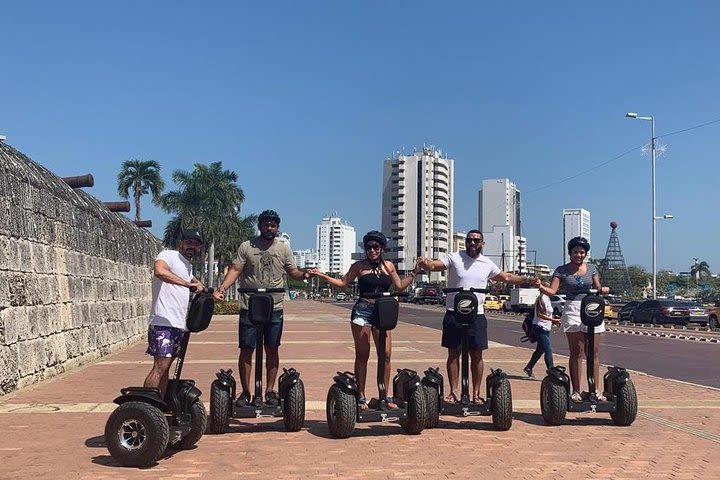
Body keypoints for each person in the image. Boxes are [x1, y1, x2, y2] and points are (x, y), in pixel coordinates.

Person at [418, 229, 538, 403]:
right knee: (454, 353)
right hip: (454, 313)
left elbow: (506, 277)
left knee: (477, 355)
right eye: (469, 240)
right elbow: (435, 265)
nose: (472, 244)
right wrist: (425, 263)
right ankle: (453, 391)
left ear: (482, 243)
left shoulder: (486, 263)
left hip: (476, 315)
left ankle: (475, 393)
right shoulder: (455, 257)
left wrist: (528, 281)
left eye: (476, 241)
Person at [307, 230, 419, 409]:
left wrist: (414, 272)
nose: (372, 250)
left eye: (375, 247)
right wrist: (321, 275)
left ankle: (384, 395)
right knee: (362, 355)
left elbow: (399, 285)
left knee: (386, 355)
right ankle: (361, 395)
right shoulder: (359, 266)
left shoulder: (388, 266)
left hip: (383, 311)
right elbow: (343, 283)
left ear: (382, 248)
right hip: (363, 311)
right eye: (368, 247)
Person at [213, 210, 309, 407]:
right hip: (249, 304)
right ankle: (246, 392)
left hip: (274, 306)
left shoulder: (283, 249)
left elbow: (293, 272)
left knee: (272, 348)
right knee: (247, 349)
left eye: (273, 225)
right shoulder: (247, 246)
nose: (269, 228)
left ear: (277, 227)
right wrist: (222, 288)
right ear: (259, 226)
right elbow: (235, 270)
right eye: (266, 224)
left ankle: (270, 390)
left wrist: (306, 275)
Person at [538, 236, 609, 402]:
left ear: (585, 254)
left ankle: (595, 390)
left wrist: (603, 289)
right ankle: (576, 390)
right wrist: (540, 286)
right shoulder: (561, 270)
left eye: (582, 252)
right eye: (575, 252)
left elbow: (598, 288)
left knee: (593, 352)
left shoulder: (592, 269)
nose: (578, 255)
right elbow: (552, 291)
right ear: (570, 253)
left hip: (591, 307)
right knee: (577, 352)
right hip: (572, 308)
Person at [144, 229, 205, 394]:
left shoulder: (187, 266)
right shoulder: (168, 255)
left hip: (177, 324)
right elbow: (160, 271)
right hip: (162, 322)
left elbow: (193, 280)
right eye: (189, 242)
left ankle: (159, 406)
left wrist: (200, 286)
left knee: (166, 367)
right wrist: (187, 285)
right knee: (160, 366)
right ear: (181, 243)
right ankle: (146, 405)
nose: (192, 246)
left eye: (196, 244)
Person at [522, 285, 560, 378]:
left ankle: (529, 367)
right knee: (548, 349)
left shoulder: (547, 298)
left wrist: (554, 320)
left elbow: (547, 313)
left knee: (540, 349)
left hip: (546, 328)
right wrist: (553, 320)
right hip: (539, 327)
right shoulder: (541, 298)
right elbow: (539, 314)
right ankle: (551, 370)